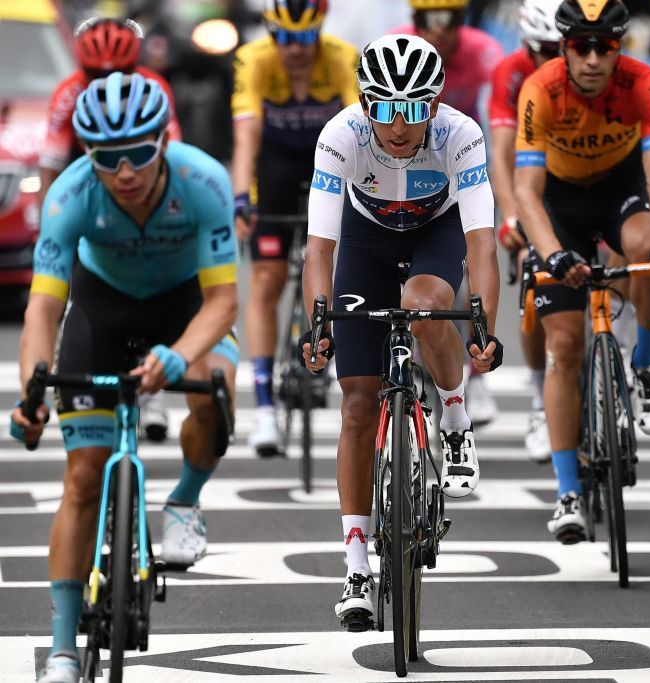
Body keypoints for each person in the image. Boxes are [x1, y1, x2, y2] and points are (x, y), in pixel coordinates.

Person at [11, 72, 240, 683]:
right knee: (84, 476)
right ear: (88, 155)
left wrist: (177, 355)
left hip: (187, 304)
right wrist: (33, 387)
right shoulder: (71, 196)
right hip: (102, 308)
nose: (125, 172)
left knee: (214, 393)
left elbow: (223, 303)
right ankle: (61, 650)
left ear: (163, 142)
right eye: (106, 158)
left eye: (139, 153)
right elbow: (42, 308)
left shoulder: (203, 182)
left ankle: (186, 500)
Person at [300, 35, 502, 629]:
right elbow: (320, 246)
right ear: (365, 105)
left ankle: (456, 417)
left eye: (412, 110)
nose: (397, 126)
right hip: (364, 241)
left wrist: (483, 321)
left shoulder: (460, 135)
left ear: (433, 107)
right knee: (359, 405)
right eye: (384, 109)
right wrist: (318, 319)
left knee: (422, 306)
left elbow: (481, 240)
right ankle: (357, 568)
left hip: (433, 235)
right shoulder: (340, 137)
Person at [514, 0, 650, 543]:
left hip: (620, 190)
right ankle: (568, 493)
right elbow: (526, 192)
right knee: (563, 348)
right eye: (580, 46)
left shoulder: (646, 83)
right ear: (564, 46)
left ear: (619, 46)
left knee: (646, 252)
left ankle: (648, 361)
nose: (592, 58)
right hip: (559, 204)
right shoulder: (540, 89)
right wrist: (552, 254)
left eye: (604, 46)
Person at [40, 16, 184, 443]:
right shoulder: (67, 92)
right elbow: (50, 162)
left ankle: (151, 389)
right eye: (95, 75)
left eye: (118, 74)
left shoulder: (155, 89)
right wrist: (53, 220)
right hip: (88, 181)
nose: (106, 82)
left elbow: (170, 154)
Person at [231, 0, 359, 456]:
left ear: (319, 32)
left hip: (330, 157)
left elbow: (357, 129)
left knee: (334, 261)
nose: (296, 49)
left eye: (305, 38)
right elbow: (246, 137)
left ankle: (322, 343)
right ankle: (264, 408)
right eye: (284, 37)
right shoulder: (254, 58)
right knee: (265, 279)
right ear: (271, 32)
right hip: (277, 162)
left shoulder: (343, 56)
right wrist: (242, 196)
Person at [394, 0, 505, 424]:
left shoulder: (482, 50)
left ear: (464, 20)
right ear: (415, 21)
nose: (439, 30)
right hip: (405, 159)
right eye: (428, 20)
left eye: (450, 20)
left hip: (461, 156)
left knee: (460, 284)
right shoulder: (398, 46)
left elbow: (500, 113)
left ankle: (475, 380)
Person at [488, 0, 563, 461]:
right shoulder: (512, 73)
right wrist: (511, 215)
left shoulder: (590, 68)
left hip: (588, 177)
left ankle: (633, 352)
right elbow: (501, 154)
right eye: (545, 51)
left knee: (627, 257)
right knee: (533, 279)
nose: (556, 62)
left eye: (563, 49)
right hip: (534, 181)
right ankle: (540, 400)